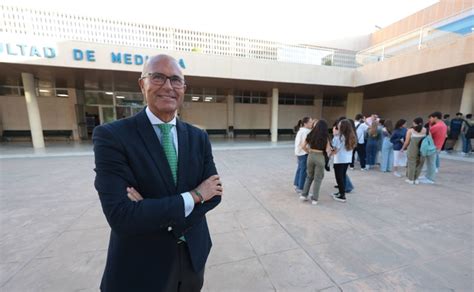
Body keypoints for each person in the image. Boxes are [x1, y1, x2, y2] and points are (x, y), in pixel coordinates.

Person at [93, 54, 223, 291]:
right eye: (158, 77)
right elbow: (121, 216)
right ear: (142, 84)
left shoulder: (198, 137)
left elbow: (214, 194)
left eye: (175, 80)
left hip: (193, 256)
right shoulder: (112, 137)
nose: (168, 86)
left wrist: (150, 209)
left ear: (183, 88)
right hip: (142, 264)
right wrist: (194, 196)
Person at [299, 119, 331, 205]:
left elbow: (302, 146)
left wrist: (308, 151)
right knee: (318, 179)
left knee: (309, 176)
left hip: (311, 156)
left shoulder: (311, 134)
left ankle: (304, 195)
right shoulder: (326, 136)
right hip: (320, 157)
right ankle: (314, 199)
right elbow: (328, 149)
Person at [330, 119, 357, 202]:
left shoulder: (339, 137)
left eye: (340, 125)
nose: (338, 126)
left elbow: (335, 150)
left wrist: (330, 153)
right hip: (347, 160)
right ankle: (340, 192)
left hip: (339, 160)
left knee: (339, 178)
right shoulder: (351, 136)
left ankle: (342, 195)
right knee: (342, 176)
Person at [420, 112, 448, 184]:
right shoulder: (443, 124)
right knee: (430, 162)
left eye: (431, 118)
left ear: (435, 117)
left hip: (433, 146)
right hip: (437, 146)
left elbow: (426, 133)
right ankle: (427, 176)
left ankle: (430, 179)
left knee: (431, 163)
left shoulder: (437, 126)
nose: (430, 119)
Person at [401, 117, 426, 184]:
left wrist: (403, 148)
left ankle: (411, 179)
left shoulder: (410, 130)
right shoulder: (426, 130)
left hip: (412, 149)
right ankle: (416, 178)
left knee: (411, 163)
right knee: (419, 164)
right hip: (423, 149)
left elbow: (407, 142)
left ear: (415, 123)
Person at [293, 117, 313, 193]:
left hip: (299, 153)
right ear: (305, 123)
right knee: (303, 170)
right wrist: (308, 152)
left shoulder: (301, 131)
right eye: (310, 122)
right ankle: (301, 187)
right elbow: (303, 145)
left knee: (300, 169)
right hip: (303, 153)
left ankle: (296, 184)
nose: (312, 124)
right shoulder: (306, 132)